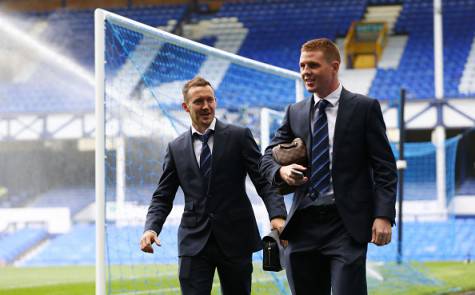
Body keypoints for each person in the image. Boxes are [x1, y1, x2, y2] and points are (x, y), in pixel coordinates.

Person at [259, 38, 397, 295]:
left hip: (346, 225)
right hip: (303, 225)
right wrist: (281, 171)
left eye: (313, 65)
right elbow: (266, 157)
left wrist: (383, 215)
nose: (305, 72)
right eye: (302, 66)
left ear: (334, 66)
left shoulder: (364, 108)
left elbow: (385, 168)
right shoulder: (295, 112)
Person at [140, 76, 287, 295]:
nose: (206, 106)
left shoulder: (239, 137)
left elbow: (264, 180)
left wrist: (277, 214)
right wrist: (151, 228)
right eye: (199, 101)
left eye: (210, 100)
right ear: (185, 107)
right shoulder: (175, 148)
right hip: (193, 242)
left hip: (236, 238)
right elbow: (163, 195)